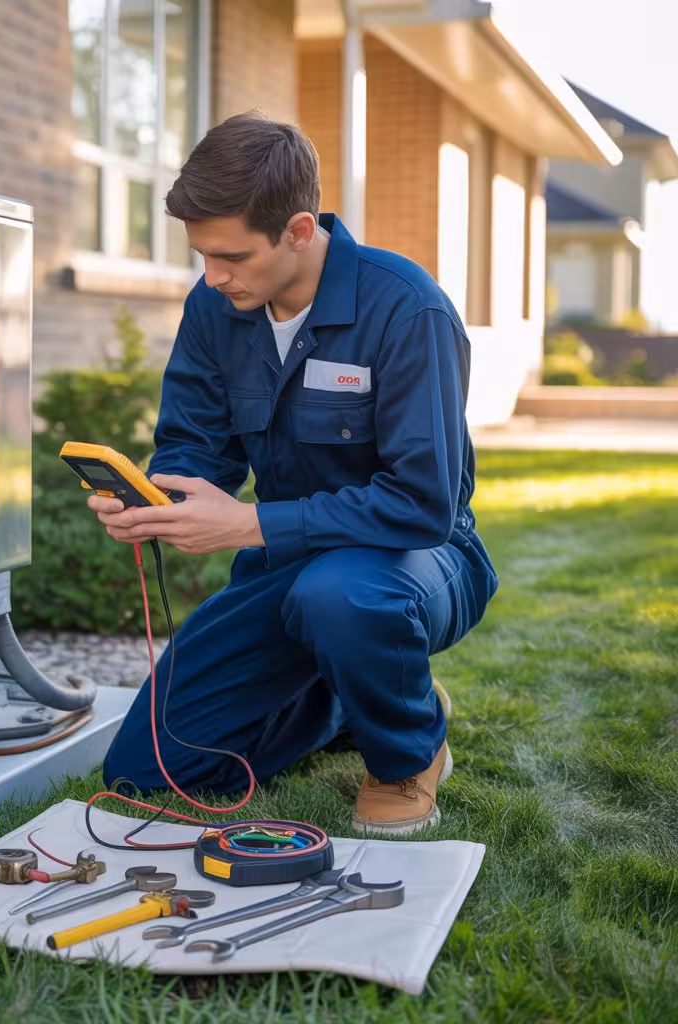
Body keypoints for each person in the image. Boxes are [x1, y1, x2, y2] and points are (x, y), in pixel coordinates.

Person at [89, 111, 498, 835]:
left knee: (340, 594)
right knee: (145, 770)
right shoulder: (215, 308)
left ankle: (409, 754)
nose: (213, 278)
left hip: (419, 559)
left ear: (300, 231)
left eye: (232, 257)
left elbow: (422, 504)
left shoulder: (406, 311)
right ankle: (348, 697)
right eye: (202, 256)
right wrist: (158, 498)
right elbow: (193, 439)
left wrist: (247, 522)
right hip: (287, 565)